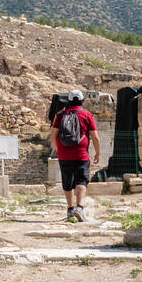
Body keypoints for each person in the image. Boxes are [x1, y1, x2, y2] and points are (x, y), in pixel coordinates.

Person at [49, 90, 99, 223]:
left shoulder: (60, 116)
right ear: (82, 101)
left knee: (67, 183)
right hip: (81, 155)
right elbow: (95, 136)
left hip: (64, 155)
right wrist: (97, 153)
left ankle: (70, 209)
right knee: (81, 181)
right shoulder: (87, 115)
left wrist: (59, 150)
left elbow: (53, 136)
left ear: (69, 101)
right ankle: (80, 208)